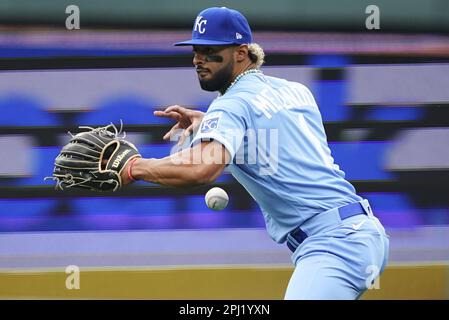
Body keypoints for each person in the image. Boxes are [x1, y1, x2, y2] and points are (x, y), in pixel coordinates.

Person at [121, 7, 389, 299]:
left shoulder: (231, 106)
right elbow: (270, 143)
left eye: (211, 50)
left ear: (241, 52)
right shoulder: (295, 91)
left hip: (333, 244)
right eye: (196, 49)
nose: (199, 59)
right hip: (361, 231)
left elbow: (202, 170)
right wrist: (208, 127)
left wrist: (136, 167)